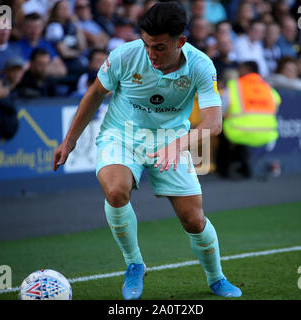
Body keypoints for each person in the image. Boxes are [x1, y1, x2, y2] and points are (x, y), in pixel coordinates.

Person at [53, 1, 242, 300]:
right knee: (115, 191)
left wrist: (177, 145)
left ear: (181, 41)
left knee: (193, 220)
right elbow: (94, 93)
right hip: (122, 134)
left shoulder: (201, 65)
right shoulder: (125, 56)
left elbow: (213, 123)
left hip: (172, 139)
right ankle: (134, 264)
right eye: (147, 45)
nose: (151, 54)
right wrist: (70, 140)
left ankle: (217, 278)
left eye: (160, 47)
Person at [216, 61, 281, 179]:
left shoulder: (235, 86)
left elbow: (221, 108)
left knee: (221, 129)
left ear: (245, 70)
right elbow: (276, 103)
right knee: (241, 139)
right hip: (268, 134)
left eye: (240, 69)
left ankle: (224, 170)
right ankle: (244, 166)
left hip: (239, 132)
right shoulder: (268, 87)